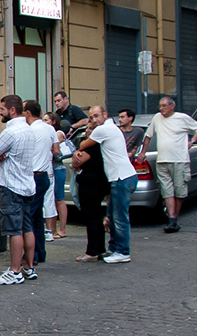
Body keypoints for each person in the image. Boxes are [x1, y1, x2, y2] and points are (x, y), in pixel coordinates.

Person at [0, 95, 38, 285]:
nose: (0, 112)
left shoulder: (10, 132)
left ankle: (15, 270)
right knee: (27, 227)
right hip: (27, 183)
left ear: (12, 110)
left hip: (11, 185)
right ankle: (29, 267)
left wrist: (1, 157)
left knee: (14, 230)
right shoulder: (28, 130)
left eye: (2, 108)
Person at [79, 105, 138, 264]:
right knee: (112, 216)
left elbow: (83, 145)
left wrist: (84, 138)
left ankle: (123, 251)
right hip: (122, 177)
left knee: (119, 218)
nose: (94, 120)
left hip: (121, 177)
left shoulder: (102, 129)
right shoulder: (112, 127)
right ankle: (114, 248)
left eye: (97, 116)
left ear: (105, 114)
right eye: (91, 117)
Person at [139, 96, 197, 233]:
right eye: (160, 106)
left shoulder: (182, 118)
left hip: (180, 160)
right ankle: (172, 220)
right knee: (167, 191)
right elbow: (148, 135)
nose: (161, 108)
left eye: (164, 106)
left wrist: (192, 141)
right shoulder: (157, 118)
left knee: (179, 190)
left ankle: (174, 218)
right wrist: (142, 152)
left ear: (172, 106)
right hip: (162, 160)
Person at [25, 100, 59, 266]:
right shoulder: (50, 128)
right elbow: (57, 150)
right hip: (45, 174)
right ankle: (40, 252)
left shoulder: (30, 131)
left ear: (27, 113)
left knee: (29, 217)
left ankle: (31, 255)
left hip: (34, 175)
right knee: (37, 217)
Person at [72, 139, 110, 261]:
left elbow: (76, 163)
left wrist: (77, 154)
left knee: (91, 217)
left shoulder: (90, 150)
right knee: (97, 216)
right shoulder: (103, 148)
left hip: (89, 185)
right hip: (100, 183)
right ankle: (100, 249)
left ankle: (92, 251)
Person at [43, 112, 69, 239]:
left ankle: (62, 229)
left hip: (57, 168)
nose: (44, 122)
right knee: (51, 199)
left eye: (47, 120)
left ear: (53, 121)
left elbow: (55, 149)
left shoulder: (58, 133)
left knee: (59, 199)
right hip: (51, 168)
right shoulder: (48, 132)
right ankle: (52, 229)